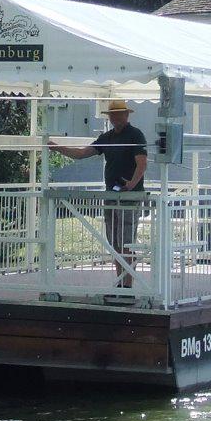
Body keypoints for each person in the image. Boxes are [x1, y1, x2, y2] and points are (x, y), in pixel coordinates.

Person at [47, 99, 148, 287]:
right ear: (109, 117)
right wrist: (57, 147)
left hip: (129, 198)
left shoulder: (135, 135)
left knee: (126, 242)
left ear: (127, 115)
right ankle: (121, 283)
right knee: (115, 243)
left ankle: (127, 285)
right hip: (111, 196)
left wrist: (131, 184)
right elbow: (82, 153)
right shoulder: (107, 138)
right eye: (113, 114)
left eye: (119, 113)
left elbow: (142, 164)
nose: (116, 117)